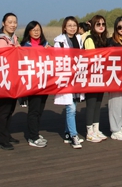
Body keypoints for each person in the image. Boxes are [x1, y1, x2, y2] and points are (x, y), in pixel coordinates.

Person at [53, 16, 84, 148]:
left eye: (74, 25)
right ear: (64, 27)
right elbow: (57, 60)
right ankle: (74, 135)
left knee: (73, 105)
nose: (72, 28)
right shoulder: (59, 42)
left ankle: (67, 133)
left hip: (77, 77)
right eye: (69, 25)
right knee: (71, 108)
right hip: (66, 77)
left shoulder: (79, 39)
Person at [0, 13, 21, 150]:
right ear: (3, 23)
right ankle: (1, 138)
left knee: (10, 109)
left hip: (13, 78)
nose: (13, 25)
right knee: (4, 110)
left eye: (15, 22)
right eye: (10, 22)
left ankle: (6, 134)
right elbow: (2, 59)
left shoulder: (13, 38)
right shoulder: (1, 40)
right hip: (5, 80)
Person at [20, 21, 51, 148]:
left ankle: (36, 132)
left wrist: (50, 50)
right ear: (29, 31)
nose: (36, 32)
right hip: (33, 83)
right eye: (33, 30)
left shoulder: (45, 44)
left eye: (38, 29)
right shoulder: (24, 46)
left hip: (45, 82)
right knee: (34, 110)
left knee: (40, 110)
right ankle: (32, 137)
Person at [83, 14, 109, 142]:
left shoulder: (103, 39)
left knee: (98, 103)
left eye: (103, 24)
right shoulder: (89, 38)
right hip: (91, 76)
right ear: (93, 25)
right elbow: (91, 57)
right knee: (91, 104)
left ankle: (96, 129)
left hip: (101, 75)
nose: (101, 26)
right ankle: (89, 132)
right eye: (98, 24)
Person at [107, 16, 122, 141]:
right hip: (115, 76)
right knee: (115, 102)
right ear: (116, 28)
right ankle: (115, 129)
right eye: (119, 27)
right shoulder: (110, 41)